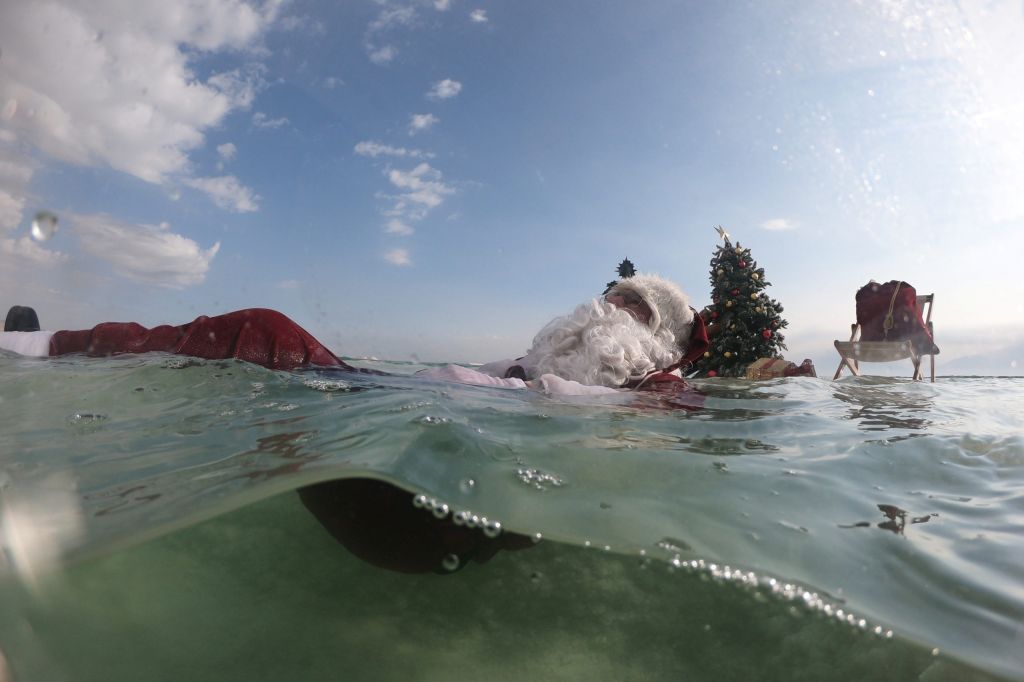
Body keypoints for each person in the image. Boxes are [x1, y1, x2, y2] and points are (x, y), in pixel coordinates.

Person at [419, 272, 708, 395]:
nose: (613, 302)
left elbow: (632, 409)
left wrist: (519, 392)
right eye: (615, 294)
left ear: (660, 329)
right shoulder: (564, 350)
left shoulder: (663, 384)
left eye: (633, 300)